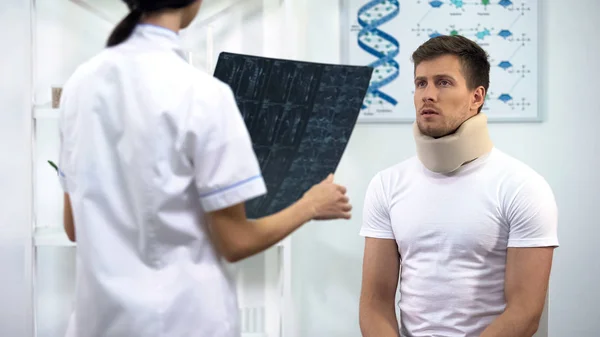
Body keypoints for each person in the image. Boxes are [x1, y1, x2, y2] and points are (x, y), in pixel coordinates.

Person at [57, 1, 352, 336]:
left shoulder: (79, 86)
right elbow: (235, 241)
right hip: (181, 321)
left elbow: (73, 227)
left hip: (98, 323)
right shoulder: (202, 95)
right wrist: (310, 204)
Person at [358, 35, 558, 337]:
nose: (428, 94)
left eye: (443, 83)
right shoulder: (386, 185)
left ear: (476, 97)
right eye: (421, 83)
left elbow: (525, 312)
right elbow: (375, 303)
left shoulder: (522, 187)